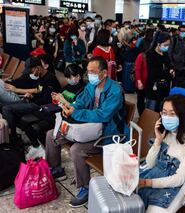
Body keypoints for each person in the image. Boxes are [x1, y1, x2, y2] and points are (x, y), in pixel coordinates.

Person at [46, 56, 126, 208]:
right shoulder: (91, 86)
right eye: (88, 71)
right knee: (51, 135)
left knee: (77, 150)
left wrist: (75, 113)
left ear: (104, 73)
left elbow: (103, 115)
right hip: (88, 127)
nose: (89, 75)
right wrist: (71, 108)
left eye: (93, 72)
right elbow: (81, 101)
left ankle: (85, 188)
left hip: (108, 133)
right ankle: (56, 168)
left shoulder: (115, 90)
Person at [138, 94, 185, 213]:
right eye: (164, 112)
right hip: (159, 174)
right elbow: (150, 163)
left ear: (183, 116)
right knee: (130, 198)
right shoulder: (167, 134)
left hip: (179, 184)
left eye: (172, 114)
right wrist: (158, 140)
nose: (167, 117)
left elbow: (180, 178)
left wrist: (148, 182)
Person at [1, 57, 60, 142]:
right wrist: (31, 95)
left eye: (31, 71)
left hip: (40, 106)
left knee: (6, 109)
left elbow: (46, 100)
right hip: (33, 102)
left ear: (38, 68)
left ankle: (13, 137)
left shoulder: (50, 79)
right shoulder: (40, 77)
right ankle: (19, 129)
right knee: (1, 106)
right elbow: (39, 91)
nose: (31, 74)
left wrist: (32, 98)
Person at [145, 31, 173, 112]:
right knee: (151, 112)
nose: (167, 47)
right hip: (153, 88)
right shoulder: (151, 55)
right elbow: (154, 73)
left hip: (163, 88)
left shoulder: (165, 54)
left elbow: (169, 65)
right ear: (158, 43)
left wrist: (171, 69)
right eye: (165, 45)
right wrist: (168, 74)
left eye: (168, 45)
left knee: (160, 111)